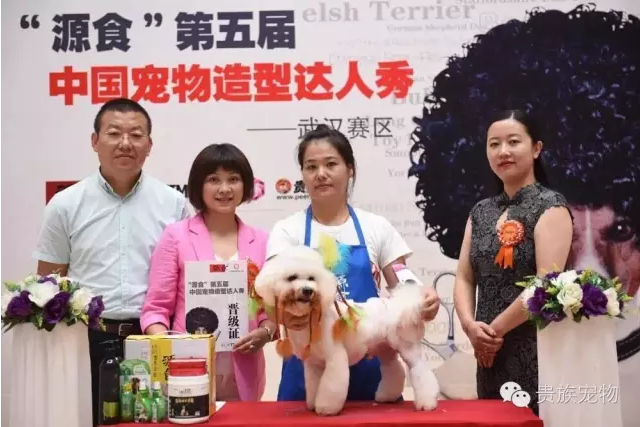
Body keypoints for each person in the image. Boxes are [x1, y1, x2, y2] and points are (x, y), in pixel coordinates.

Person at [32, 98, 188, 426]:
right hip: (85, 340)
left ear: (149, 145)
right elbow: (48, 285)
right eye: (114, 133)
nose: (125, 143)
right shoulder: (65, 205)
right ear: (95, 141)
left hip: (153, 339)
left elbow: (183, 280)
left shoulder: (173, 204)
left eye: (136, 135)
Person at [266, 124, 441, 402]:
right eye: (311, 167)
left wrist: (420, 296)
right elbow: (273, 294)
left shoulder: (376, 226)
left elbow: (401, 275)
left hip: (368, 362)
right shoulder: (288, 230)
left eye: (331, 164)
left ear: (349, 169)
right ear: (303, 175)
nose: (320, 174)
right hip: (306, 367)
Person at [450, 110, 573, 415]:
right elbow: (464, 276)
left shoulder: (551, 206)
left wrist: (493, 331)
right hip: (487, 352)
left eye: (513, 142)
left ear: (536, 148)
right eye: (494, 144)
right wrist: (470, 327)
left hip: (534, 347)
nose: (503, 151)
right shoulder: (480, 211)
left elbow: (545, 285)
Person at [140, 143, 277, 402]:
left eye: (233, 179)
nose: (224, 189)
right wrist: (170, 347)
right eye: (214, 179)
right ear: (198, 186)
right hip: (186, 370)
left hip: (244, 373)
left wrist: (266, 332)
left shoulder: (261, 240)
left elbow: (267, 313)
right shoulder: (176, 237)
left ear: (246, 186)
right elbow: (155, 309)